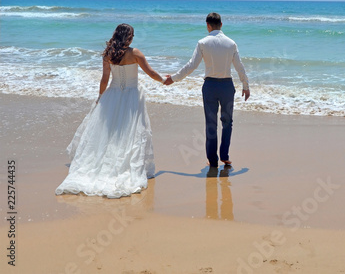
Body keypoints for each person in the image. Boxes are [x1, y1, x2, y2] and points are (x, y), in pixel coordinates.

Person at [56, 23, 168, 198]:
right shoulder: (135, 53)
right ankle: (125, 166)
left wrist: (101, 97)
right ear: (129, 37)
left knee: (110, 133)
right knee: (130, 133)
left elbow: (105, 79)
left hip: (113, 95)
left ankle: (104, 164)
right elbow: (151, 72)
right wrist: (164, 80)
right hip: (131, 96)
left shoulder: (108, 54)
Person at [165, 12, 250, 168]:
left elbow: (191, 65)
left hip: (210, 86)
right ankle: (224, 155)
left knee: (211, 124)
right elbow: (240, 67)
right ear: (221, 25)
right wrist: (245, 85)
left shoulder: (202, 43)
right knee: (227, 122)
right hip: (226, 86)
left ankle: (212, 160)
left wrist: (174, 78)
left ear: (208, 26)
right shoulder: (231, 43)